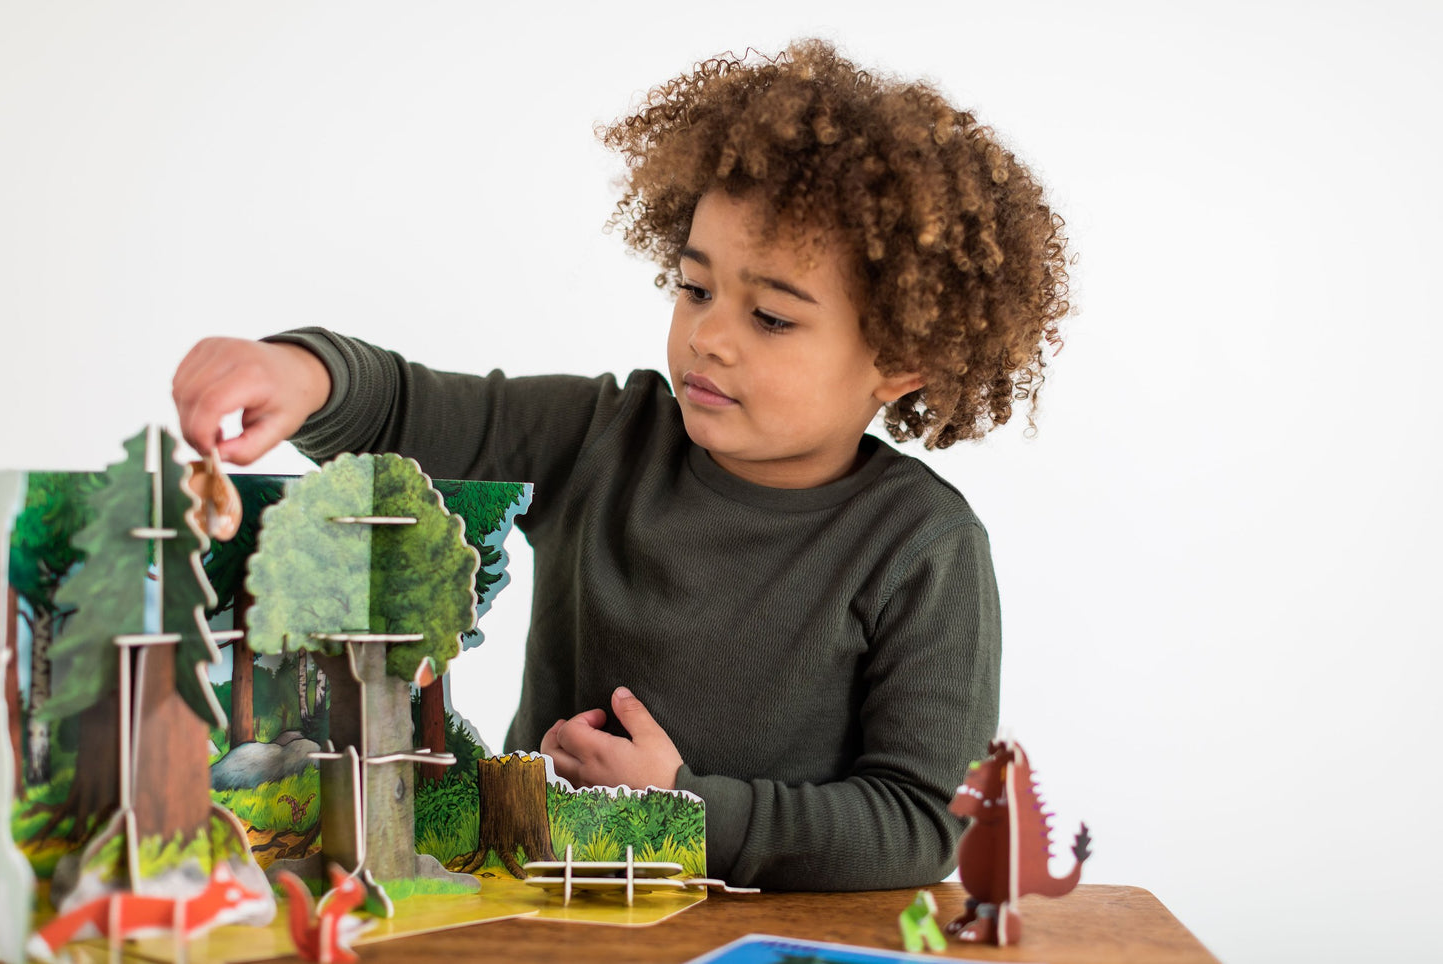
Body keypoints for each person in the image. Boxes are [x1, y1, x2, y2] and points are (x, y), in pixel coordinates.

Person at [172, 40, 1071, 891]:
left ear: (898, 361)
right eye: (695, 288)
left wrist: (683, 809)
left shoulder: (923, 546)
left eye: (771, 317)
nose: (707, 336)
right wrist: (307, 373)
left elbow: (918, 826)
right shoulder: (600, 435)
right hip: (542, 915)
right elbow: (411, 409)